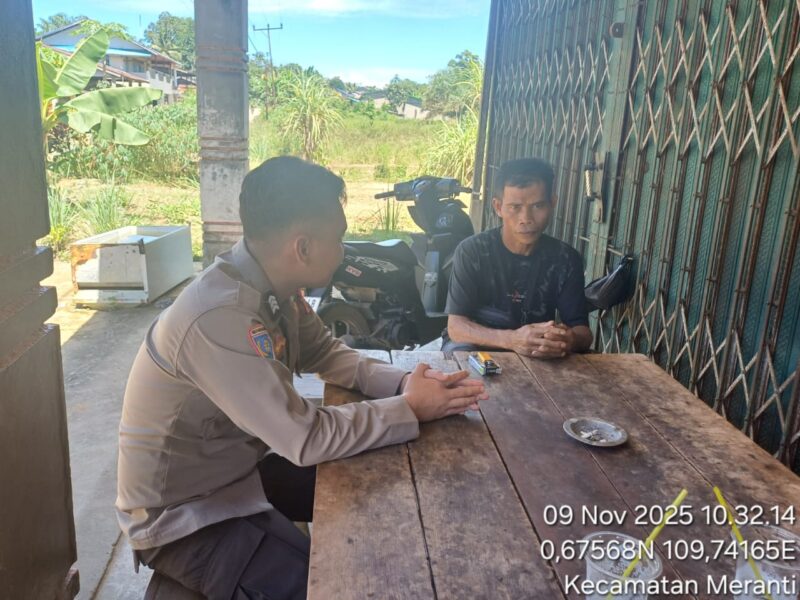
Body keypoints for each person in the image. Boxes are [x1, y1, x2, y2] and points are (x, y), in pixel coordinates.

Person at [115, 156, 488, 600]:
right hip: (186, 514)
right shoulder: (220, 317)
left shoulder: (273, 290)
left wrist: (405, 384)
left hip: (239, 468)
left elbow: (325, 352)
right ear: (303, 247)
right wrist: (410, 409)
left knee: (384, 483)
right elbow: (306, 437)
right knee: (329, 585)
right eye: (340, 238)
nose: (345, 250)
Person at [442, 157, 592, 358]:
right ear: (498, 207)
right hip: (476, 348)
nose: (526, 219)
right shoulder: (472, 251)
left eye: (538, 206)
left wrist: (568, 339)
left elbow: (583, 332)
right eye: (515, 207)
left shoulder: (565, 259)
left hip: (536, 353)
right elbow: (456, 327)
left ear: (552, 203)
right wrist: (513, 340)